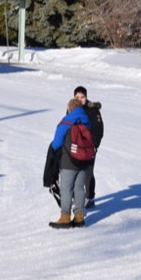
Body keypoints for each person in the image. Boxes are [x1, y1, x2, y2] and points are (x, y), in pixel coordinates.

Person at [48, 98, 93, 229]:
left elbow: (56, 143)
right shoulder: (86, 122)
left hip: (68, 162)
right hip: (84, 161)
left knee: (66, 189)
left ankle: (65, 217)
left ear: (69, 108)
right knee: (79, 188)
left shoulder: (66, 122)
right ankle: (79, 217)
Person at [74, 86, 104, 208]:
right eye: (77, 97)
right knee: (74, 172)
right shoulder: (72, 108)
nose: (80, 99)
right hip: (75, 147)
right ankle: (77, 197)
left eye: (82, 97)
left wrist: (95, 146)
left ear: (86, 97)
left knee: (88, 172)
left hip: (89, 147)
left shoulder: (93, 110)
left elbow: (99, 130)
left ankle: (90, 197)